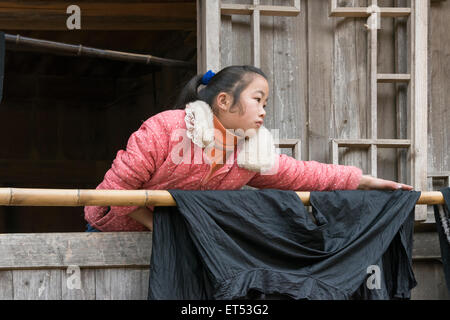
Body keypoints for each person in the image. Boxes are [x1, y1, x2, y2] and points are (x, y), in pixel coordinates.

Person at [84, 65, 412, 232]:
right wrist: (167, 232)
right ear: (224, 101)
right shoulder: (165, 129)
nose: (264, 111)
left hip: (172, 245)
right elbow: (115, 193)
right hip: (111, 232)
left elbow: (302, 174)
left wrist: (364, 180)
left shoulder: (250, 154)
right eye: (257, 100)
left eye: (266, 102)